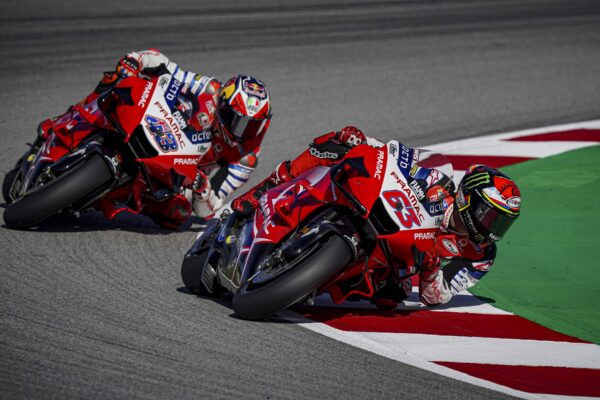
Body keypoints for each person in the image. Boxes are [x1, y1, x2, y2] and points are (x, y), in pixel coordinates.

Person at [231, 127, 521, 308]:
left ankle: (310, 280)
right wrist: (368, 143)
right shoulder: (438, 177)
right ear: (467, 198)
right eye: (491, 215)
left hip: (399, 262)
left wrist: (431, 268)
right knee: (343, 139)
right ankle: (265, 188)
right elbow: (401, 158)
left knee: (392, 296)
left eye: (502, 222)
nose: (493, 228)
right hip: (380, 209)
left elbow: (438, 296)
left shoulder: (481, 256)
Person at [37, 49, 272, 228]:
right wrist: (137, 60)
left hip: (179, 175)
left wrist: (202, 189)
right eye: (239, 121)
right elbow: (166, 66)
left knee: (179, 214)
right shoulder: (209, 88)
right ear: (222, 104)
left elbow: (210, 207)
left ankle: (102, 196)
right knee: (116, 80)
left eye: (253, 125)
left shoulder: (246, 158)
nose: (244, 131)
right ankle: (72, 116)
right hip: (162, 128)